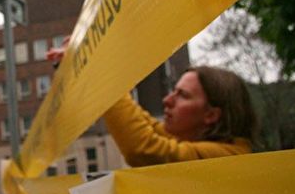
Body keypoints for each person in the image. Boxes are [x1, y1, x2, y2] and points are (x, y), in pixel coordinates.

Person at [103, 66, 257, 167]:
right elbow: (152, 127)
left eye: (183, 95)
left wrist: (104, 80)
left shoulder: (229, 157)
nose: (167, 100)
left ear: (211, 115)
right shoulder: (199, 141)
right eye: (174, 91)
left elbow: (143, 149)